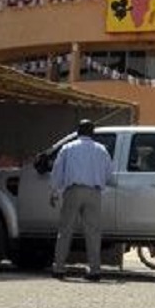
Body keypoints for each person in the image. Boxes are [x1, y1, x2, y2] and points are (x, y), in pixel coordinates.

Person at [50, 119, 114, 281]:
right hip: (94, 192)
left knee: (65, 230)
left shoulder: (68, 148)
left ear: (78, 132)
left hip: (73, 190)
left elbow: (58, 170)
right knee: (93, 232)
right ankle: (94, 270)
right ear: (92, 133)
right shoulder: (101, 150)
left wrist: (55, 191)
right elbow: (108, 174)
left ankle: (59, 268)